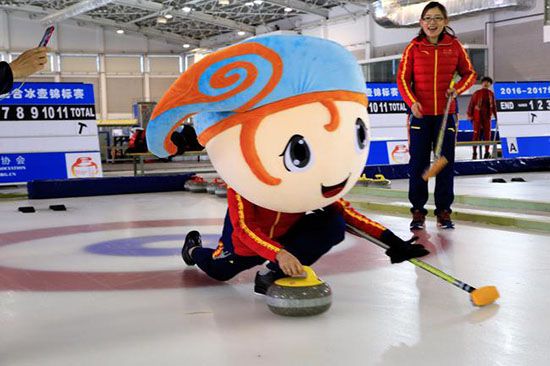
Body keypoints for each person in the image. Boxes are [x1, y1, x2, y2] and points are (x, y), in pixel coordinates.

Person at [146, 34, 429, 294]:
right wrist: (277, 253)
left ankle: (272, 274)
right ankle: (194, 250)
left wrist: (395, 242)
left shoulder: (308, 184)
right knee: (219, 272)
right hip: (247, 246)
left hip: (285, 241)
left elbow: (349, 214)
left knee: (333, 221)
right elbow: (244, 229)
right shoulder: (244, 183)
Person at [397, 1, 476, 230]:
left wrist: (457, 89)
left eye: (437, 18)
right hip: (420, 117)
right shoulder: (413, 47)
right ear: (421, 22)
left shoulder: (455, 46)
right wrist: (412, 103)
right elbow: (402, 80)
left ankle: (443, 211)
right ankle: (418, 211)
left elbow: (469, 74)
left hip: (446, 116)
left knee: (444, 165)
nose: (432, 23)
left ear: (445, 22)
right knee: (418, 165)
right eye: (428, 18)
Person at [467, 76, 497, 159]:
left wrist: (497, 116)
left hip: (487, 118)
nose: (486, 83)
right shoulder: (476, 93)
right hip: (477, 118)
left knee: (488, 136)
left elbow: (494, 107)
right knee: (476, 136)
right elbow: (471, 105)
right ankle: (474, 152)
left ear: (490, 84)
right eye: (484, 82)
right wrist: (469, 115)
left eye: (488, 82)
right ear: (482, 83)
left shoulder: (491, 94)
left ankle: (487, 153)